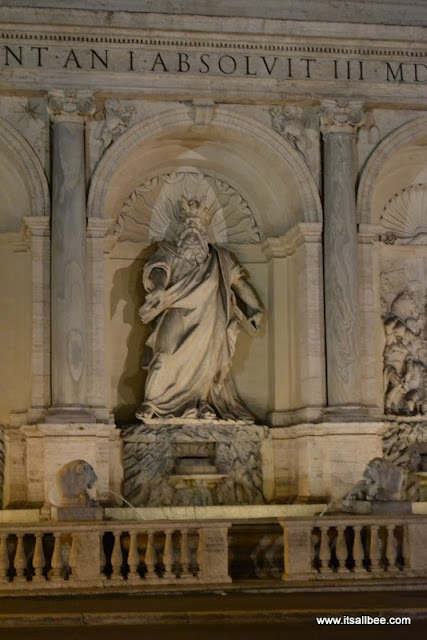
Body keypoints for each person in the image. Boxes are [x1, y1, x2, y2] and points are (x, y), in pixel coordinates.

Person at [136, 195, 263, 423]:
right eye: (188, 229)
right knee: (164, 357)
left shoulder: (220, 259)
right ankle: (153, 401)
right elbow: (158, 270)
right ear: (181, 233)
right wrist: (158, 288)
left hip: (209, 321)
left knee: (206, 364)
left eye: (197, 230)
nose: (192, 233)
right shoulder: (168, 251)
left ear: (204, 235)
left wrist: (255, 307)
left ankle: (199, 401)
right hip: (176, 314)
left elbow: (239, 283)